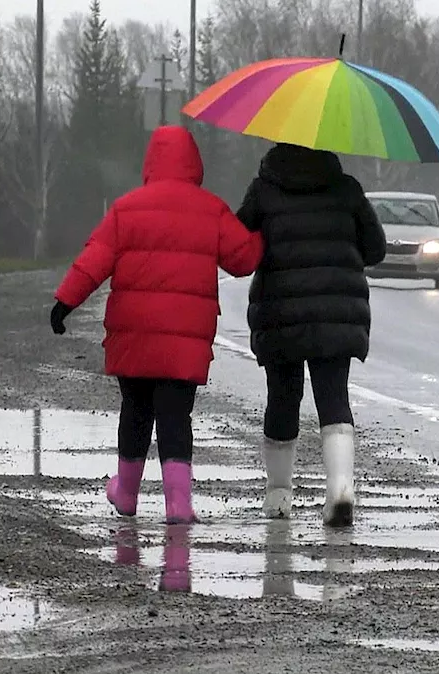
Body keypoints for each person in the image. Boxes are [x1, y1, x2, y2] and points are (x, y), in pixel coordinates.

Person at [50, 125, 263, 524]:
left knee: (134, 410)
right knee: (174, 417)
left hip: (132, 332)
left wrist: (65, 302)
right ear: (194, 163)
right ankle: (178, 504)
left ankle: (127, 493)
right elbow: (242, 261)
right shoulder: (211, 209)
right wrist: (258, 228)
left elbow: (94, 260)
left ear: (151, 162)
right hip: (185, 340)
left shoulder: (126, 207)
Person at [235, 142, 386, 528]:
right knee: (334, 397)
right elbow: (376, 250)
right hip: (336, 312)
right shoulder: (347, 189)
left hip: (281, 310)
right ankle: (340, 490)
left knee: (282, 398)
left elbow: (238, 246)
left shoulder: (264, 191)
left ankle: (278, 495)